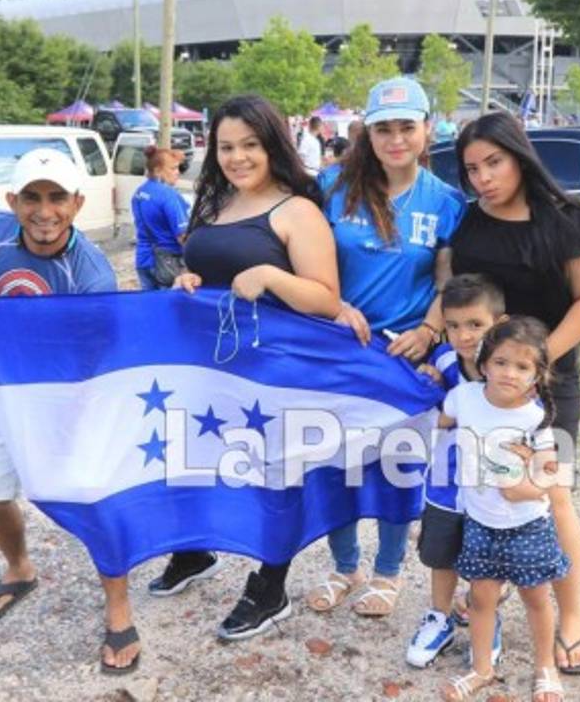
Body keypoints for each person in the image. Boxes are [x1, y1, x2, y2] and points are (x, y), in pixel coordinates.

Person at [0, 149, 141, 674]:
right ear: (12, 201)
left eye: (57, 197)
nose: (45, 211)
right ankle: (19, 569)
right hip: (5, 391)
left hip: (72, 397)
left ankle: (118, 606)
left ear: (77, 203)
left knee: (93, 498)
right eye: (32, 198)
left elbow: (101, 354)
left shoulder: (90, 273)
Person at [153, 93, 341, 641]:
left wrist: (273, 277)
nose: (237, 157)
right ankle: (194, 552)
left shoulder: (297, 211)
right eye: (227, 146)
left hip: (274, 372)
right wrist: (185, 281)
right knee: (188, 458)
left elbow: (328, 298)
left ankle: (270, 584)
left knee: (273, 478)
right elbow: (203, 270)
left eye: (250, 146)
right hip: (208, 364)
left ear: (273, 145)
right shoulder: (212, 204)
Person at [451, 111, 580, 676]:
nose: (484, 177)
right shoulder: (470, 225)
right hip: (484, 384)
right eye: (472, 168)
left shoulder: (573, 220)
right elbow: (456, 296)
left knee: (552, 492)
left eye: (493, 162)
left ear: (519, 155)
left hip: (550, 384)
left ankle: (571, 617)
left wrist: (538, 364)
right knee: (488, 488)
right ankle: (484, 603)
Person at [308, 76, 465, 619]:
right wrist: (331, 308)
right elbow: (307, 261)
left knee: (396, 466)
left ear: (427, 129)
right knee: (335, 463)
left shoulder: (445, 201)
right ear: (367, 134)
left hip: (404, 355)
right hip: (339, 348)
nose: (396, 139)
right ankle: (344, 566)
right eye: (383, 129)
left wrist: (429, 331)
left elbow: (448, 282)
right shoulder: (332, 187)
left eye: (406, 127)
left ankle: (387, 572)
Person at [439, 317, 568, 702]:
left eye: (522, 366)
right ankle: (481, 668)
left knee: (535, 598)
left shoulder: (535, 417)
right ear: (483, 364)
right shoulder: (464, 398)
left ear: (537, 374)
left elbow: (550, 475)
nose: (509, 373)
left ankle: (545, 666)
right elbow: (438, 421)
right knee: (481, 597)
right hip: (480, 522)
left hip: (526, 524)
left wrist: (524, 489)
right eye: (501, 362)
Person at [405, 274, 507, 670]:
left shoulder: (510, 368)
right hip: (446, 483)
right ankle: (438, 616)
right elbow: (435, 412)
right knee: (441, 554)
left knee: (488, 560)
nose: (464, 335)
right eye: (453, 325)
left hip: (493, 486)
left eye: (475, 324)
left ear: (499, 323)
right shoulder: (444, 361)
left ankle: (486, 617)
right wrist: (429, 381)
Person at [132, 146, 190, 290]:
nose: (178, 173)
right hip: (168, 262)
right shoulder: (168, 195)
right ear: (158, 171)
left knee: (150, 308)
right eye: (173, 168)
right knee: (171, 309)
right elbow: (182, 236)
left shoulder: (139, 192)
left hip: (143, 259)